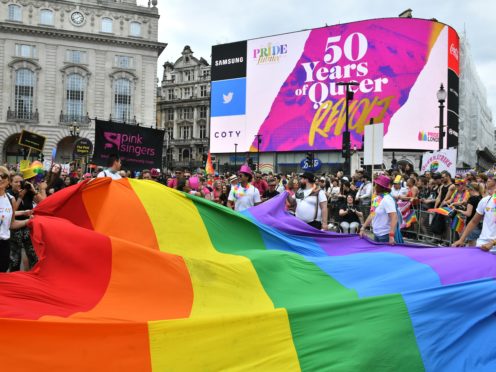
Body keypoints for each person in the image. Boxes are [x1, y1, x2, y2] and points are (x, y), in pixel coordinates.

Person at [0, 166, 33, 272]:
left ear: (8, 181)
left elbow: (12, 223)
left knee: (3, 275)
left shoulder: (11, 199)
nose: (0, 179)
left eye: (3, 176)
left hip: (4, 245)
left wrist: (28, 220)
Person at [454, 172, 496, 251]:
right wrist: (461, 239)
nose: (489, 180)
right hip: (482, 245)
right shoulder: (485, 201)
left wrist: (493, 242)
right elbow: (474, 221)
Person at [8, 173, 38, 271]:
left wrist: (33, 190)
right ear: (10, 183)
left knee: (33, 254)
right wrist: (20, 197)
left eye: (20, 182)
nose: (18, 184)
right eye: (15, 182)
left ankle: (34, 274)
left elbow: (42, 202)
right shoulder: (8, 194)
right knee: (15, 258)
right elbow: (11, 212)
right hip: (15, 227)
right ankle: (15, 277)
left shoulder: (28, 192)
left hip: (28, 227)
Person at [359, 175, 400, 244]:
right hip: (377, 234)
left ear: (380, 187)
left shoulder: (387, 199)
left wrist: (391, 235)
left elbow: (394, 217)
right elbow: (372, 214)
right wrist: (363, 227)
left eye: (375, 185)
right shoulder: (377, 198)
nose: (374, 187)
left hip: (385, 236)